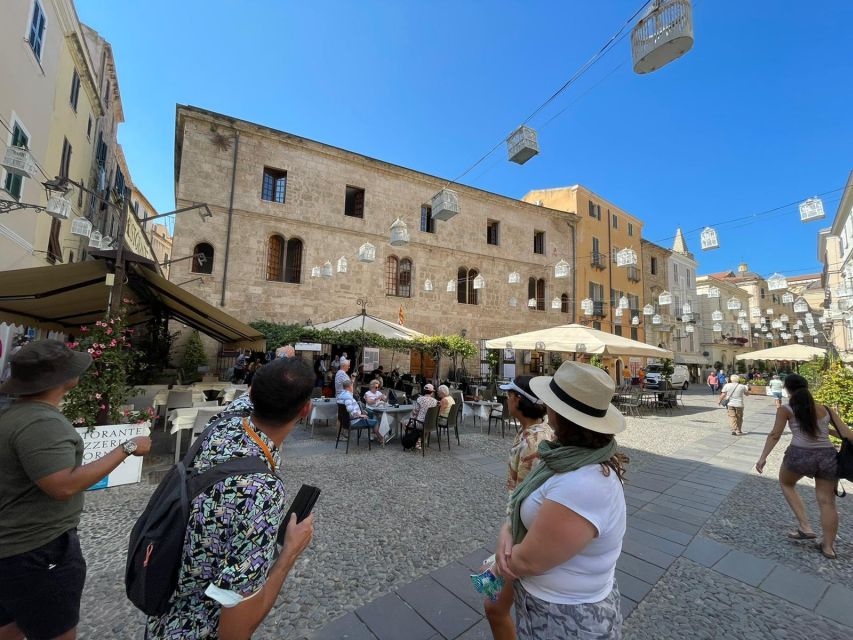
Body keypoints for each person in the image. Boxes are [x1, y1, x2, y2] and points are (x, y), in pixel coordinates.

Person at [146, 357, 316, 638]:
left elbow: (250, 395)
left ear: (251, 393)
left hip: (162, 617)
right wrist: (289, 552)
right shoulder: (261, 492)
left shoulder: (224, 421)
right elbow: (235, 630)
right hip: (197, 630)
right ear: (306, 409)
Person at [0, 340, 152, 640]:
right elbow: (64, 485)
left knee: (12, 624)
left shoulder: (16, 415)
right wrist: (129, 447)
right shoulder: (41, 422)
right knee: (56, 630)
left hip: (16, 547)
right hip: (38, 549)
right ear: (59, 380)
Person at [493, 362, 627, 639]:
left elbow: (528, 562)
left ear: (559, 413)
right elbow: (525, 499)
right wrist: (507, 529)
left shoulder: (583, 483)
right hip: (550, 603)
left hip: (567, 617)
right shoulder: (567, 456)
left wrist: (496, 564)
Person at [484, 377, 553, 640]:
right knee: (494, 603)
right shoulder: (533, 433)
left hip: (523, 536)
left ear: (518, 400)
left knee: (494, 606)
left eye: (509, 394)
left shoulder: (534, 443)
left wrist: (511, 541)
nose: (506, 399)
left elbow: (535, 499)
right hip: (517, 530)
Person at [755, 374, 852, 560]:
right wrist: (827, 430)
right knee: (827, 502)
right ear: (807, 387)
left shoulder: (786, 409)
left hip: (799, 455)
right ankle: (828, 547)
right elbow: (847, 434)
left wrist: (763, 458)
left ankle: (805, 526)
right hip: (827, 457)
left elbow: (775, 434)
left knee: (786, 483)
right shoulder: (826, 410)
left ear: (787, 389)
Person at [338, 378, 384, 444]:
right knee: (375, 422)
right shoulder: (347, 396)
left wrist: (361, 413)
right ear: (349, 387)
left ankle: (378, 437)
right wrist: (359, 415)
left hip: (344, 421)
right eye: (352, 386)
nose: (353, 387)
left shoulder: (341, 395)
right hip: (354, 420)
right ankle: (381, 439)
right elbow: (349, 409)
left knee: (370, 418)